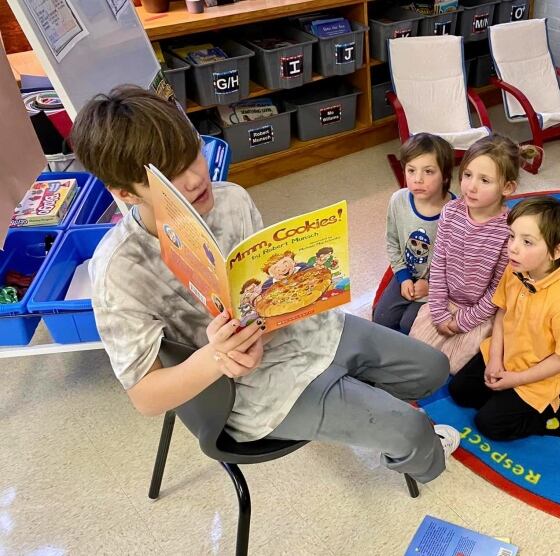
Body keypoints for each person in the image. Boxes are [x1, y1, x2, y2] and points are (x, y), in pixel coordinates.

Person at [72, 85, 460, 485]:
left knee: (433, 369)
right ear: (125, 193)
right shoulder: (119, 271)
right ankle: (420, 454)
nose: (193, 179)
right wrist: (218, 358)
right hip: (252, 390)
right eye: (168, 179)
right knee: (413, 433)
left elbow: (266, 283)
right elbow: (146, 397)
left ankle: (360, 399)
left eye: (193, 155)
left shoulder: (230, 199)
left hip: (306, 331)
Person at [448, 196, 560, 440]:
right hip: (508, 353)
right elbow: (503, 311)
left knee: (490, 424)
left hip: (541, 372)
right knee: (460, 392)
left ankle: (553, 407)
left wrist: (517, 379)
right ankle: (507, 395)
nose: (513, 247)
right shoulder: (515, 268)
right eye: (512, 236)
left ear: (556, 251)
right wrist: (495, 358)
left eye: (527, 242)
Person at [409, 135, 540, 373]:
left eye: (485, 180)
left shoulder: (509, 231)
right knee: (417, 349)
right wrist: (439, 312)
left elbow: (497, 290)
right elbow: (438, 264)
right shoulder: (450, 211)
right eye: (468, 175)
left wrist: (462, 321)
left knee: (455, 367)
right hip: (444, 301)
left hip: (479, 313)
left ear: (507, 187)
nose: (471, 186)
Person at [373, 133, 455, 335]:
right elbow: (392, 242)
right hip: (407, 274)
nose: (417, 179)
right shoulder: (398, 200)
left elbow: (457, 262)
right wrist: (403, 277)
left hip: (439, 283)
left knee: (409, 325)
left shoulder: (455, 211)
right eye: (411, 170)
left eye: (428, 171)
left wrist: (431, 285)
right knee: (381, 319)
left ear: (445, 175)